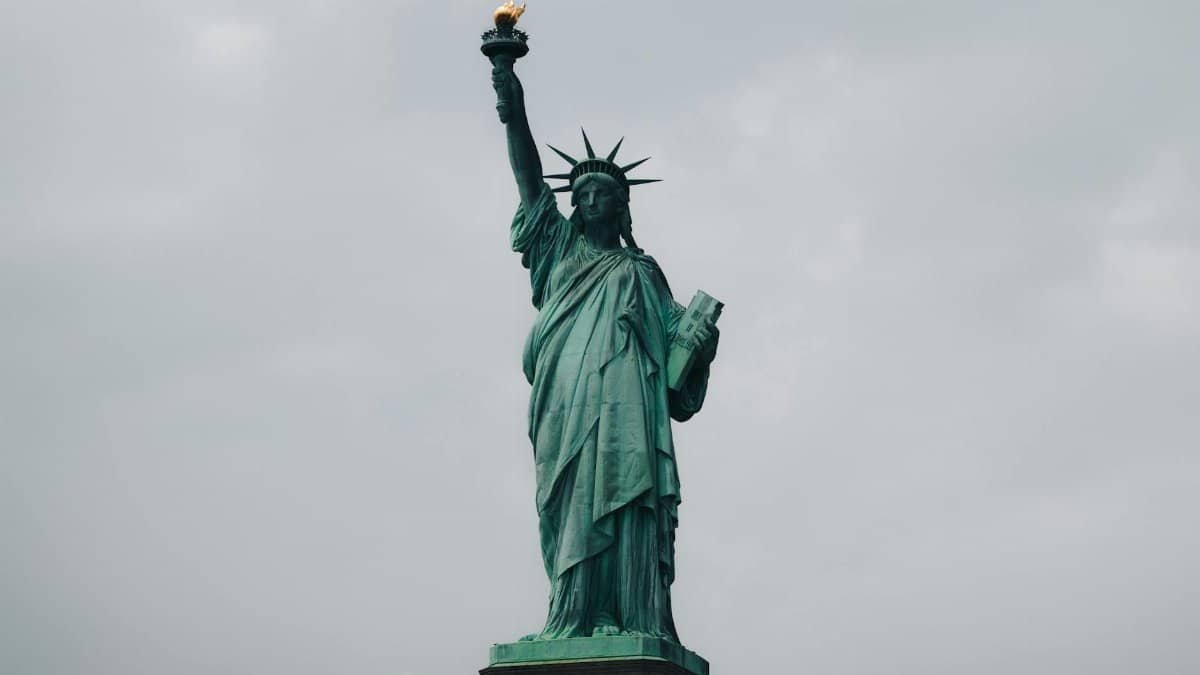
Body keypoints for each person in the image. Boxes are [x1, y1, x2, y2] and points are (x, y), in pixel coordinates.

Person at [491, 56, 719, 642]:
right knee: (569, 499)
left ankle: (630, 612)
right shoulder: (557, 249)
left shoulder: (643, 271)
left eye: (603, 193)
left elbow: (677, 348)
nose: (590, 199)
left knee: (628, 496)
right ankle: (573, 614)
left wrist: (701, 338)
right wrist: (511, 99)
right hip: (566, 400)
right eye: (583, 192)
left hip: (628, 408)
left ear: (622, 205)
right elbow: (528, 175)